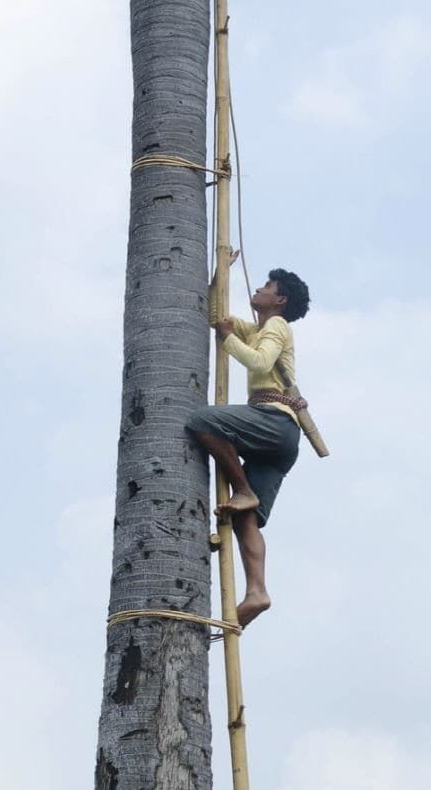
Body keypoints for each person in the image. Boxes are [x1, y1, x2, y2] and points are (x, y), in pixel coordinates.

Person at [185, 267, 311, 627]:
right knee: (246, 520)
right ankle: (258, 591)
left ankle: (243, 489)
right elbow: (216, 319)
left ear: (280, 300)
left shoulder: (276, 327)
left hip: (274, 422)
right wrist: (217, 278)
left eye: (267, 286)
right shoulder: (259, 330)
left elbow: (258, 361)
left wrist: (228, 340)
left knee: (203, 421)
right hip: (280, 441)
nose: (259, 287)